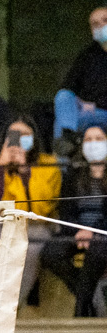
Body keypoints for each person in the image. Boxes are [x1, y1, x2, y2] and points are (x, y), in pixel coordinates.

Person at [0, 114, 61, 306]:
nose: (19, 140)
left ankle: (14, 304)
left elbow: (40, 207)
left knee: (30, 248)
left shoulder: (49, 165)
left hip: (35, 223)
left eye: (25, 135)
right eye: (14, 135)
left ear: (34, 139)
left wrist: (24, 170)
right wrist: (0, 168)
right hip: (1, 224)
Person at [41, 125, 107, 317]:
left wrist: (93, 231)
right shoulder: (73, 176)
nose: (93, 143)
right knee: (50, 252)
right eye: (88, 139)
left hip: (103, 234)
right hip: (76, 232)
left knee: (97, 249)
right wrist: (79, 231)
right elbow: (66, 211)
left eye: (99, 138)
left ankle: (81, 310)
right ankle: (86, 299)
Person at [51, 6, 107, 147]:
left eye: (105, 20)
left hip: (102, 110)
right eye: (95, 24)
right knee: (63, 100)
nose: (100, 26)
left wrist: (96, 104)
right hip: (88, 112)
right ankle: (65, 154)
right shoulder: (88, 55)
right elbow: (69, 86)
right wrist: (79, 102)